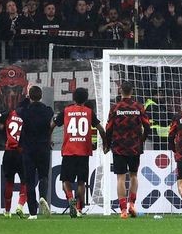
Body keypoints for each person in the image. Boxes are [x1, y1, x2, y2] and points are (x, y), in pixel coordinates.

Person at [104, 82, 153, 218]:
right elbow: (147, 126)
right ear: (132, 91)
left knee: (120, 178)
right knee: (133, 175)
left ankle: (123, 210)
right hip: (134, 147)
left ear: (120, 91)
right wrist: (141, 140)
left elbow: (108, 129)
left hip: (119, 147)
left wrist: (107, 144)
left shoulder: (115, 108)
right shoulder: (138, 107)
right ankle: (132, 204)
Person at [55, 88, 103, 218]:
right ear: (86, 99)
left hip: (69, 151)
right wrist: (106, 143)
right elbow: (100, 128)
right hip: (83, 152)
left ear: (74, 99)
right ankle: (79, 209)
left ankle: (70, 198)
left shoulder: (66, 111)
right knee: (81, 182)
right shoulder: (89, 112)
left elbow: (52, 125)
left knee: (66, 180)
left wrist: (48, 138)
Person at [17, 86, 54, 220]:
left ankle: (32, 213)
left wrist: (26, 97)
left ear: (30, 96)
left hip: (29, 149)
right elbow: (50, 116)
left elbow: (17, 109)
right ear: (41, 96)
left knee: (30, 180)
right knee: (43, 176)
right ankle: (43, 197)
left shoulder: (25, 112)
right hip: (43, 148)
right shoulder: (48, 111)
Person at [0, 106, 28, 217]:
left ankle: (7, 211)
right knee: (25, 181)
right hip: (21, 153)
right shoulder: (26, 116)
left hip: (9, 152)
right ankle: (20, 205)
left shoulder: (8, 114)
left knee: (9, 182)